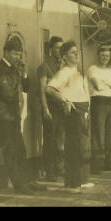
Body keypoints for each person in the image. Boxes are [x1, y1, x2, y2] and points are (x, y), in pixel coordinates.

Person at [0, 37, 46, 194]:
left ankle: (28, 180)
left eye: (19, 55)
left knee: (20, 149)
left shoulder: (15, 69)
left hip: (12, 117)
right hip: (1, 117)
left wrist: (24, 73)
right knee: (11, 151)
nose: (18, 58)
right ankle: (20, 185)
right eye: (14, 54)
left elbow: (26, 88)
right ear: (5, 52)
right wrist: (18, 77)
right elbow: (7, 94)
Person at [45, 41, 94, 191]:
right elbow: (49, 89)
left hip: (82, 110)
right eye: (73, 52)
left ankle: (81, 179)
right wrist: (64, 100)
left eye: (77, 51)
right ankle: (72, 184)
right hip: (74, 112)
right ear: (65, 57)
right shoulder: (64, 72)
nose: (77, 54)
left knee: (83, 146)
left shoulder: (76, 71)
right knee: (74, 147)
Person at [87, 46, 111, 174]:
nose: (105, 58)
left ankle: (110, 163)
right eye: (103, 56)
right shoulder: (92, 69)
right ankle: (97, 165)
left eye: (107, 56)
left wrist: (108, 84)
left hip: (110, 103)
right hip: (98, 103)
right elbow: (98, 86)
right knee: (98, 135)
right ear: (98, 56)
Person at [37, 36, 64, 182]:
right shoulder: (44, 66)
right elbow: (42, 90)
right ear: (50, 49)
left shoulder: (64, 65)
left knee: (60, 139)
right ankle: (50, 171)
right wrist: (45, 108)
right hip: (50, 107)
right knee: (50, 140)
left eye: (61, 48)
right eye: (57, 48)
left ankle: (59, 168)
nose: (59, 51)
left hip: (62, 106)